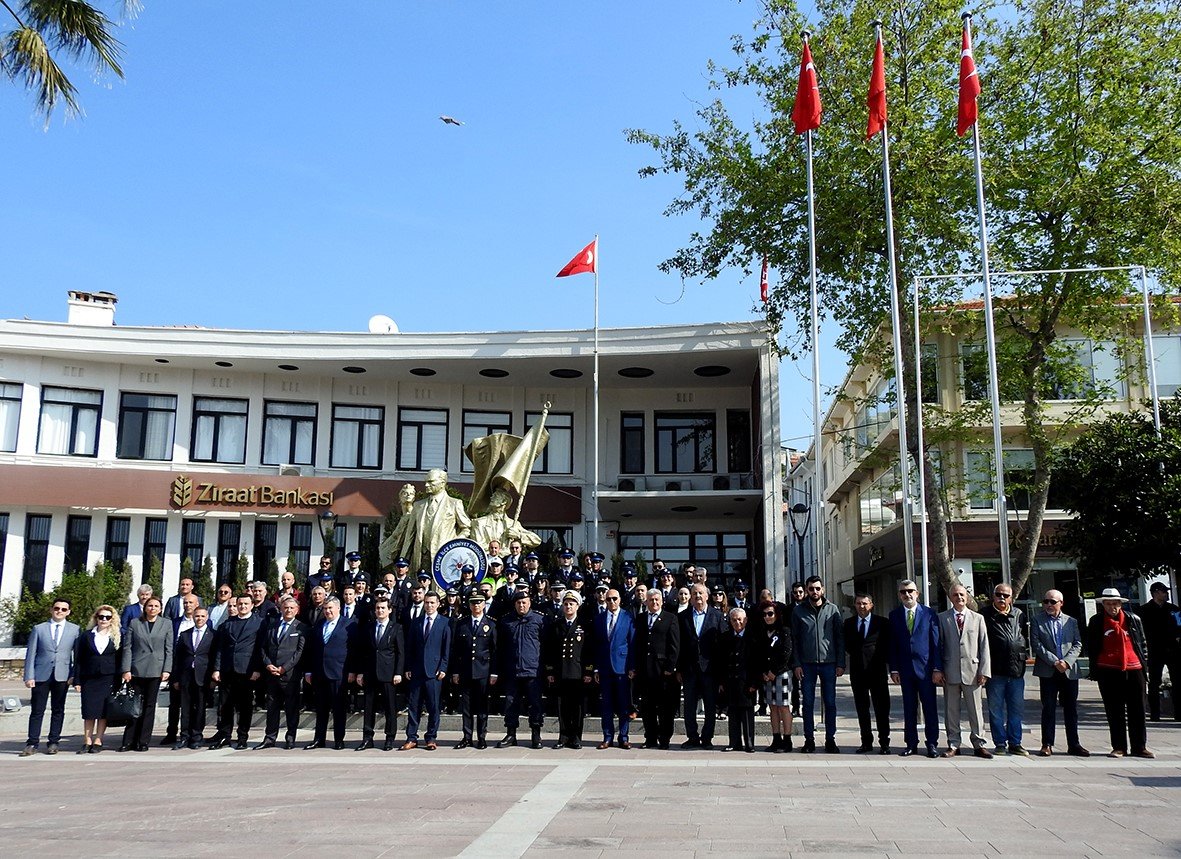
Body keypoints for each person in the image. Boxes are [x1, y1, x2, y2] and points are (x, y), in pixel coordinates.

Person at [1086, 587, 1153, 758]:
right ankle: (1119, 746)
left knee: (1138, 709)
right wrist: (1094, 670)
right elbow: (1092, 646)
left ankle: (1139, 747)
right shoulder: (1096, 621)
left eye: (1115, 603)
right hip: (1108, 669)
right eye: (1108, 604)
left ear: (1120, 604)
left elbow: (1142, 643)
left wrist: (1145, 665)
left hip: (1134, 668)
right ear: (1103, 605)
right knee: (1114, 710)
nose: (1112, 607)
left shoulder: (1133, 619)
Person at [935, 585, 993, 758]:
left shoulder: (978, 618)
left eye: (962, 594)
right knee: (951, 711)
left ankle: (979, 744)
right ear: (950, 598)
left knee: (976, 710)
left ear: (967, 597)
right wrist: (938, 669)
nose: (959, 597)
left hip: (973, 672)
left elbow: (984, 646)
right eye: (955, 595)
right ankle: (953, 744)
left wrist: (984, 671)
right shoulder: (942, 618)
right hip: (950, 671)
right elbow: (938, 645)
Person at [1030, 589, 1089, 757]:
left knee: (1071, 709)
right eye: (1046, 601)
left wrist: (1067, 662)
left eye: (1052, 602)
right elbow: (1036, 644)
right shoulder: (1037, 620)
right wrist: (1054, 661)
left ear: (1061, 603)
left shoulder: (1071, 621)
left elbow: (1077, 644)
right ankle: (1047, 744)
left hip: (1068, 670)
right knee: (1048, 708)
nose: (1048, 605)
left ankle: (1074, 744)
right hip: (1048, 670)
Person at [791, 576, 845, 753]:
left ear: (822, 589)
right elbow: (795, 639)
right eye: (811, 589)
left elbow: (839, 638)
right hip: (807, 664)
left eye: (817, 588)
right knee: (807, 703)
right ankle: (809, 740)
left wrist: (841, 663)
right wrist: (796, 664)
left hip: (829, 663)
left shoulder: (832, 609)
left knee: (830, 703)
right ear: (807, 590)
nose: (814, 592)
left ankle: (830, 739)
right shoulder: (799, 611)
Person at [888, 579, 941, 757]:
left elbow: (935, 643)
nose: (907, 594)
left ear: (917, 593)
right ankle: (911, 744)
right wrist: (894, 669)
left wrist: (937, 668)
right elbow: (892, 644)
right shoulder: (894, 615)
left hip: (926, 670)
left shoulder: (929, 613)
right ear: (899, 595)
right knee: (909, 708)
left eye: (910, 591)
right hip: (905, 670)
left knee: (930, 708)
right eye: (903, 592)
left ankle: (932, 743)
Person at [21, 597, 80, 757]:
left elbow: (77, 656)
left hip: (62, 675)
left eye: (63, 609)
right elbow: (31, 653)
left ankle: (53, 741)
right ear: (51, 609)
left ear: (68, 612)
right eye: (56, 608)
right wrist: (29, 676)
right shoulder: (39, 628)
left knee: (58, 709)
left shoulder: (74, 630)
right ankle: (32, 742)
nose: (59, 611)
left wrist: (74, 675)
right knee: (37, 710)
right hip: (41, 674)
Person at [386, 468, 473, 572]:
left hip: (444, 557)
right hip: (421, 558)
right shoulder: (418, 506)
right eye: (426, 482)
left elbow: (467, 528)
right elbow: (410, 535)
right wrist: (403, 559)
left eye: (431, 482)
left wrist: (454, 543)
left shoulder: (454, 504)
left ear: (442, 483)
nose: (426, 485)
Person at [209, 594, 264, 750]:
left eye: (246, 604)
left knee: (245, 706)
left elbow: (260, 648)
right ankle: (225, 736)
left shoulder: (259, 623)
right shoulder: (227, 624)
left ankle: (242, 737)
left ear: (252, 605)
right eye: (240, 604)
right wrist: (217, 668)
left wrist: (257, 669)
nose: (242, 606)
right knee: (225, 705)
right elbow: (220, 648)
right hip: (228, 669)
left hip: (246, 670)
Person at [119, 596, 172, 752]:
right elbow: (127, 647)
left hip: (156, 670)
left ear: (160, 609)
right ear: (145, 608)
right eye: (150, 606)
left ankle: (143, 741)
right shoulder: (135, 623)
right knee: (134, 705)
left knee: (149, 706)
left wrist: (167, 669)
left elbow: (169, 649)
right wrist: (126, 669)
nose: (152, 608)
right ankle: (129, 740)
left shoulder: (166, 624)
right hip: (137, 670)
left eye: (156, 606)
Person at [981, 583, 1028, 755]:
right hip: (995, 671)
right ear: (993, 596)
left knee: (1016, 709)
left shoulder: (1019, 614)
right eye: (999, 594)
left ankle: (1015, 743)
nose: (1002, 598)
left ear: (1011, 598)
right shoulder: (984, 615)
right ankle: (1000, 742)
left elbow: (1025, 637)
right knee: (996, 710)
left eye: (1006, 595)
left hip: (1016, 671)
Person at [678, 583, 726, 749]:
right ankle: (692, 737)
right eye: (694, 593)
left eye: (700, 593)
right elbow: (679, 645)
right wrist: (679, 668)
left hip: (710, 669)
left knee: (710, 706)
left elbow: (722, 643)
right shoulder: (682, 616)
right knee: (689, 706)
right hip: (689, 669)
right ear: (690, 597)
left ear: (707, 596)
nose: (698, 596)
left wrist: (721, 672)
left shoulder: (717, 616)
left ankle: (707, 738)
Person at [497, 591, 547, 748]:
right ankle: (511, 734)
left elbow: (546, 645)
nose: (521, 605)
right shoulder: (506, 621)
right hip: (512, 670)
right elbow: (500, 647)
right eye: (518, 603)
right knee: (510, 703)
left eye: (524, 602)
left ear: (529, 603)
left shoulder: (539, 620)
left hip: (533, 670)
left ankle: (536, 734)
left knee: (535, 704)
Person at [304, 597, 355, 750]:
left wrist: (352, 670)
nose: (327, 611)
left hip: (339, 672)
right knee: (321, 709)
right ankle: (319, 739)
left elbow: (354, 650)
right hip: (320, 673)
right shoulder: (319, 624)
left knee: (339, 708)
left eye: (330, 608)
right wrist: (309, 671)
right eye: (325, 608)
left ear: (338, 608)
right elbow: (311, 649)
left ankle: (339, 739)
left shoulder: (349, 624)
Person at [402, 592, 451, 750]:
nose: (429, 606)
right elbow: (409, 646)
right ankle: (411, 737)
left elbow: (446, 648)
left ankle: (431, 737)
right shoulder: (416, 622)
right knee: (413, 706)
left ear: (438, 604)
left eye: (432, 603)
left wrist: (443, 667)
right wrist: (408, 667)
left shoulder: (445, 622)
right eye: (427, 602)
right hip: (416, 671)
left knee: (433, 706)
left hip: (434, 672)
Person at [633, 589, 681, 749]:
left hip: (663, 671)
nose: (654, 602)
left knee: (665, 708)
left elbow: (674, 645)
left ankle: (665, 738)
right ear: (646, 602)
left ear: (662, 601)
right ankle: (650, 738)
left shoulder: (670, 618)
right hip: (645, 670)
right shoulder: (640, 618)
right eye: (651, 600)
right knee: (647, 707)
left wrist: (670, 667)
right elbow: (637, 644)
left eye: (656, 600)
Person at [258, 597, 308, 749]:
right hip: (272, 673)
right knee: (272, 707)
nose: (288, 610)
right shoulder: (272, 626)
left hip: (290, 675)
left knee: (291, 708)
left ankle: (290, 738)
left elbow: (299, 652)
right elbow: (263, 648)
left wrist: (284, 668)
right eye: (286, 607)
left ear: (297, 610)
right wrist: (268, 664)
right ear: (281, 609)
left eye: (292, 608)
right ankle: (269, 738)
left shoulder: (302, 628)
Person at [356, 596, 405, 751]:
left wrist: (398, 673)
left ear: (389, 610)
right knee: (368, 707)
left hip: (388, 674)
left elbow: (400, 653)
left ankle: (389, 738)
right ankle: (367, 738)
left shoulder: (396, 628)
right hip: (370, 673)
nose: (380, 610)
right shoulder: (369, 627)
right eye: (377, 608)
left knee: (390, 707)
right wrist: (361, 672)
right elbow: (363, 652)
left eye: (383, 608)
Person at [844, 594, 891, 754]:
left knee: (881, 709)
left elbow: (887, 645)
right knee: (862, 709)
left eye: (865, 603)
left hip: (877, 672)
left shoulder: (882, 623)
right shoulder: (848, 624)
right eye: (858, 603)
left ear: (871, 605)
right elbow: (847, 645)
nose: (862, 606)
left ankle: (884, 742)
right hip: (858, 673)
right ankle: (866, 742)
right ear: (854, 605)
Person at [451, 591, 497, 749]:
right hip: (465, 671)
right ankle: (467, 737)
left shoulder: (491, 624)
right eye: (473, 603)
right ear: (469, 605)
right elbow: (456, 650)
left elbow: (495, 651)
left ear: (484, 604)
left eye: (479, 602)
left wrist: (494, 672)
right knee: (466, 707)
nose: (476, 605)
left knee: (482, 706)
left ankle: (481, 737)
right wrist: (455, 671)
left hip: (483, 671)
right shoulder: (462, 623)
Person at [546, 590, 591, 749]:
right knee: (562, 706)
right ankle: (563, 736)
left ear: (577, 606)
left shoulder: (584, 625)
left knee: (577, 707)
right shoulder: (556, 625)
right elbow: (550, 650)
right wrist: (550, 671)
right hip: (561, 672)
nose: (568, 607)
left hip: (577, 672)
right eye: (565, 604)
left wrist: (588, 671)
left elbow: (588, 651)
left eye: (571, 604)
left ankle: (576, 737)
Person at [73, 604, 120, 753]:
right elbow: (79, 659)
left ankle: (98, 740)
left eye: (107, 617)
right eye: (101, 617)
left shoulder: (117, 636)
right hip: (89, 678)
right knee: (89, 711)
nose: (104, 619)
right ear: (96, 618)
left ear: (112, 619)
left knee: (103, 711)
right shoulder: (86, 635)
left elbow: (120, 659)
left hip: (108, 677)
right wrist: (77, 680)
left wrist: (119, 680)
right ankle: (87, 740)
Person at [592, 588, 635, 749]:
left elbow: (632, 643)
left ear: (620, 600)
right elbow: (596, 645)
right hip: (604, 668)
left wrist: (632, 667)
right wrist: (596, 668)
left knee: (623, 704)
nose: (611, 602)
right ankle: (607, 737)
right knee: (606, 705)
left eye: (614, 598)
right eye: (608, 599)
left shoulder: (628, 617)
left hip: (622, 668)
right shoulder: (599, 619)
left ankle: (623, 737)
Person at [1135, 581, 1181, 722]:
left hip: (1173, 650)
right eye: (1163, 591)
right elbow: (1139, 632)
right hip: (1154, 651)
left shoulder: (1174, 609)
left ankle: (1178, 713)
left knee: (1177, 681)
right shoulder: (1143, 611)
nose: (1166, 594)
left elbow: (1180, 626)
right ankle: (1155, 714)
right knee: (1154, 682)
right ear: (1155, 593)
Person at [171, 605, 214, 749]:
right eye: (197, 616)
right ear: (193, 617)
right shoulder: (185, 634)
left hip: (203, 676)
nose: (199, 618)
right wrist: (176, 678)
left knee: (200, 708)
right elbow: (177, 658)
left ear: (207, 617)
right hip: (186, 676)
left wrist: (213, 677)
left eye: (202, 616)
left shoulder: (213, 635)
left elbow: (214, 657)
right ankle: (184, 736)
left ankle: (197, 736)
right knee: (186, 708)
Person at [754, 600, 794, 752]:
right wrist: (764, 672)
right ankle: (776, 738)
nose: (767, 617)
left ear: (776, 615)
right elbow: (760, 654)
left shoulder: (784, 630)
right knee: (772, 707)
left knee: (783, 706)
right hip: (767, 674)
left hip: (781, 673)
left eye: (770, 614)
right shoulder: (762, 631)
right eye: (764, 614)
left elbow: (786, 653)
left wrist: (774, 672)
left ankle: (787, 739)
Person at [717, 607, 757, 752]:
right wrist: (721, 681)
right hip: (730, 681)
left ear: (745, 620)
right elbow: (720, 661)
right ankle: (734, 742)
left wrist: (754, 683)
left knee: (747, 713)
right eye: (734, 620)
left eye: (740, 619)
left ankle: (749, 743)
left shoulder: (753, 638)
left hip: (747, 682)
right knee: (733, 713)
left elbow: (757, 662)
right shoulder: (725, 637)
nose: (737, 623)